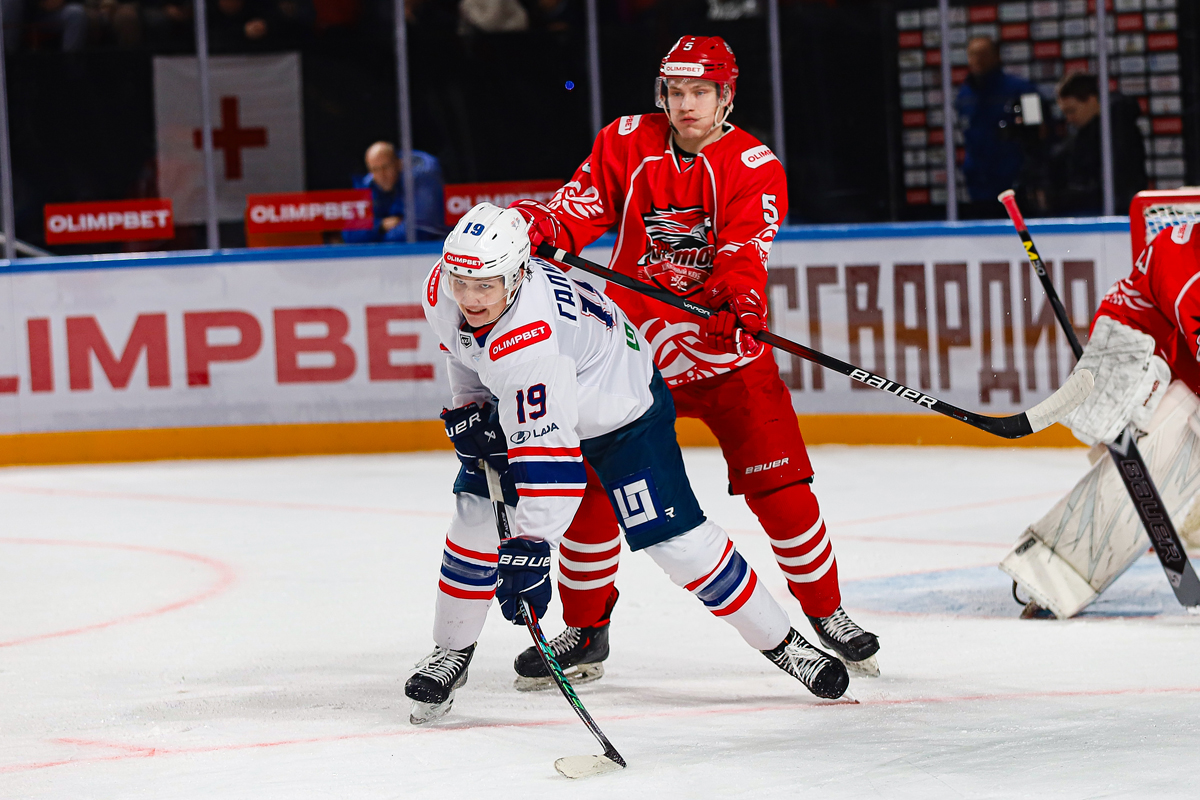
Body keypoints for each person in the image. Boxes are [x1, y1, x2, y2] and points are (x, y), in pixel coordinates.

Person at [507, 35, 880, 692]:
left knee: (783, 491)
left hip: (727, 357)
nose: (685, 104)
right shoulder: (626, 140)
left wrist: (737, 299)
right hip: (634, 357)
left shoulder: (755, 165)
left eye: (700, 92)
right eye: (675, 92)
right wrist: (542, 226)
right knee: (592, 491)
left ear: (725, 96)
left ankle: (827, 612)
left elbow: (744, 247)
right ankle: (587, 629)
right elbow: (581, 205)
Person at [405, 202, 851, 724]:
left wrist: (532, 546)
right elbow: (463, 350)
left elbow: (553, 468)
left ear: (520, 273)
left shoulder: (531, 341)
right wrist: (471, 405)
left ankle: (786, 644)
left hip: (622, 411)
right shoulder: (441, 288)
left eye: (486, 286)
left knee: (679, 544)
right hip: (547, 391)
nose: (470, 298)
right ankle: (451, 651)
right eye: (462, 282)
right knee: (475, 513)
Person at [1002, 222, 1200, 619]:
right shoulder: (1189, 280)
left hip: (1168, 351)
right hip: (1133, 354)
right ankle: (1054, 572)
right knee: (1177, 435)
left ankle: (1186, 519)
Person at [954, 36, 1039, 205]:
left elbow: (1039, 132)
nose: (978, 60)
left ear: (996, 56)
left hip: (1014, 179)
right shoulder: (964, 95)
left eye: (984, 54)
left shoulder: (1024, 89)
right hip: (977, 183)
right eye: (973, 54)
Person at [1048, 72, 1147, 216]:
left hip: (1117, 213)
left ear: (1092, 100)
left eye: (1072, 111)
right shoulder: (1083, 133)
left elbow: (1117, 181)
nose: (1069, 119)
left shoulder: (1118, 129)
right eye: (1065, 113)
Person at [343, 141, 446, 244]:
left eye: (385, 167)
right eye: (375, 169)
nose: (381, 175)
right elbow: (349, 233)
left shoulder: (421, 177)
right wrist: (380, 226)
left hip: (435, 248)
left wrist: (379, 240)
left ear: (398, 164)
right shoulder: (370, 184)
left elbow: (419, 229)